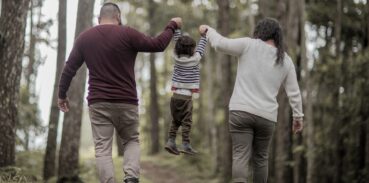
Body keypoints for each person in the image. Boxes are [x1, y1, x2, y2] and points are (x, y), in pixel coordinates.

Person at [57, 3, 182, 183]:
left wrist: (62, 95)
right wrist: (172, 25)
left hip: (98, 103)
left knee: (102, 149)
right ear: (118, 17)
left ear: (98, 19)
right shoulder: (128, 33)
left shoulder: (85, 38)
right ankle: (131, 178)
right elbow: (158, 44)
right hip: (126, 101)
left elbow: (69, 69)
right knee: (131, 140)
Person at [199, 18, 304, 183]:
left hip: (241, 111)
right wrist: (298, 117)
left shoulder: (248, 45)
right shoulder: (286, 60)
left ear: (260, 32)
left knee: (241, 154)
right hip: (267, 117)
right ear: (277, 36)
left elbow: (220, 44)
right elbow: (294, 92)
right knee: (261, 158)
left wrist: (208, 31)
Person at [164, 28, 207, 155]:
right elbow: (201, 48)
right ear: (192, 50)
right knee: (186, 122)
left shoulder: (175, 57)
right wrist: (204, 36)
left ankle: (171, 141)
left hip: (175, 96)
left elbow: (177, 42)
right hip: (186, 98)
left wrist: (177, 30)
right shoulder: (195, 59)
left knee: (175, 120)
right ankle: (185, 144)